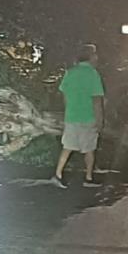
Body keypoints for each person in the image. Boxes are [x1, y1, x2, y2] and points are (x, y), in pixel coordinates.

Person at [51, 43, 105, 188]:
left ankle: (58, 175)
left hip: (72, 116)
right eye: (95, 54)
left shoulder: (70, 72)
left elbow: (64, 93)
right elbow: (96, 100)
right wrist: (99, 120)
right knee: (89, 149)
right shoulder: (93, 74)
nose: (97, 57)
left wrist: (69, 109)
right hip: (88, 117)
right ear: (90, 57)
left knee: (67, 146)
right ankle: (88, 178)